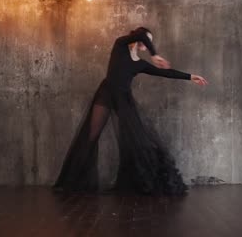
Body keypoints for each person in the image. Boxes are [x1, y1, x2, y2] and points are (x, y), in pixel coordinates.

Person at [53, 27, 208, 196]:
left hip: (124, 100)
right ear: (138, 38)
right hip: (105, 95)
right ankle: (71, 182)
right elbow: (141, 35)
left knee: (135, 139)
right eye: (147, 40)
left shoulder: (140, 64)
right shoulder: (120, 45)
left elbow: (166, 73)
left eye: (150, 41)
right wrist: (154, 54)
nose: (149, 43)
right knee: (90, 137)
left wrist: (191, 76)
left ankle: (143, 181)